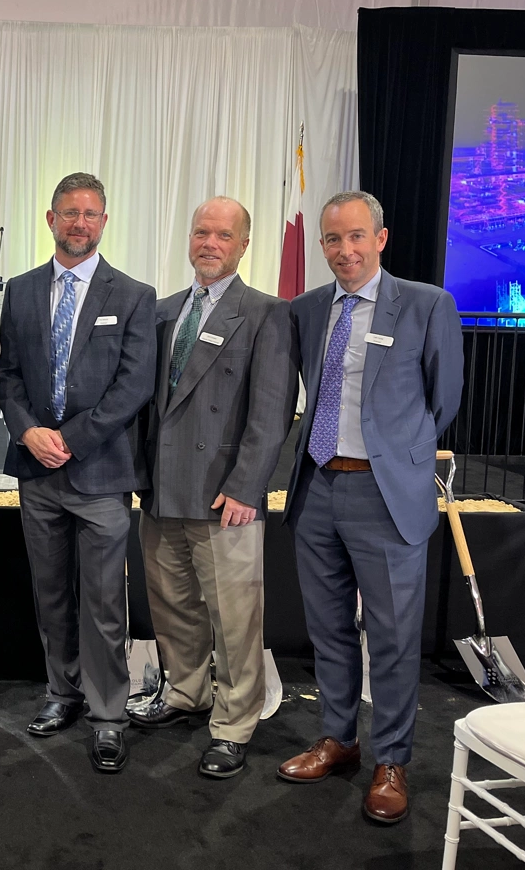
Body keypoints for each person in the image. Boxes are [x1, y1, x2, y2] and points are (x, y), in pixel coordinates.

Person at [279, 190, 463, 823]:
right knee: (327, 628)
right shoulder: (304, 310)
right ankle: (339, 738)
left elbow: (444, 401)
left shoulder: (427, 304)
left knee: (389, 636)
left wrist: (394, 455)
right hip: (318, 487)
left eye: (356, 237)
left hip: (386, 495)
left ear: (380, 240)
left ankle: (392, 760)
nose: (344, 250)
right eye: (332, 239)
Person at [0, 172, 156, 773]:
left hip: (101, 473)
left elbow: (133, 386)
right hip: (37, 473)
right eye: (69, 213)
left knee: (103, 601)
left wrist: (71, 439)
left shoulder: (134, 295)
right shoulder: (23, 289)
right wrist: (26, 430)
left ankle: (108, 713)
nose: (78, 223)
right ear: (50, 219)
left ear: (104, 222)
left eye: (90, 213)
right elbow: (8, 373)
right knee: (52, 594)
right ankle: (61, 693)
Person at [131, 196, 296, 779]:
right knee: (173, 608)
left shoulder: (266, 313)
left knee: (234, 617)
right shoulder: (165, 309)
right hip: (162, 490)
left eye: (223, 235)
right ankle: (186, 694)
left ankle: (233, 723)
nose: (209, 243)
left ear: (243, 245)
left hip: (225, 493)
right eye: (201, 232)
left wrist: (249, 486)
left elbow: (273, 409)